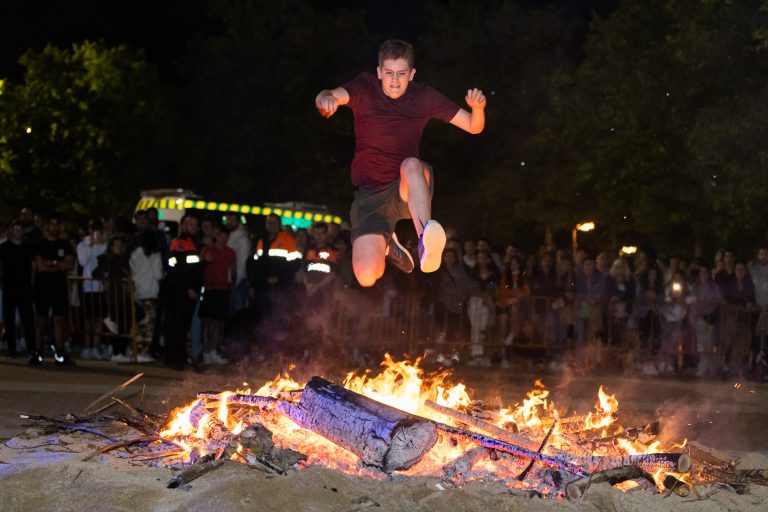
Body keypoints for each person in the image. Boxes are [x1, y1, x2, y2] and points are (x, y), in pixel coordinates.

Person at [315, 39, 486, 286]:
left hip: (407, 188)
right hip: (370, 196)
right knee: (366, 277)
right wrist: (326, 99)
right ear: (379, 72)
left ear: (412, 74)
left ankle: (426, 240)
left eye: (402, 74)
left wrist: (478, 109)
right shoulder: (364, 87)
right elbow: (328, 94)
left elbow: (473, 125)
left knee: (411, 165)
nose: (395, 80)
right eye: (389, 73)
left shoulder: (424, 97)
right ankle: (388, 244)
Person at [31, 213, 76, 365]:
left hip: (59, 287)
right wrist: (58, 265)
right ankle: (38, 352)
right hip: (42, 287)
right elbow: (40, 267)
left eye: (57, 224)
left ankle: (59, 352)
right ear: (46, 226)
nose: (54, 227)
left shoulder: (65, 245)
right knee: (41, 319)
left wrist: (51, 263)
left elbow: (70, 264)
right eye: (52, 224)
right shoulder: (40, 245)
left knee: (59, 319)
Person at [199, 225, 236, 365]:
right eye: (221, 236)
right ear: (217, 236)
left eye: (226, 237)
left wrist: (232, 286)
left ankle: (214, 351)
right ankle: (206, 351)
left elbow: (233, 270)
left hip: (223, 289)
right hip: (210, 289)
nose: (223, 239)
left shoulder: (230, 252)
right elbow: (200, 268)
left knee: (218, 322)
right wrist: (204, 284)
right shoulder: (208, 250)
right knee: (207, 321)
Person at [0, 221, 36, 358]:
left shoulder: (28, 246)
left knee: (28, 319)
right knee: (9, 320)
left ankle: (31, 348)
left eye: (20, 228)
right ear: (11, 230)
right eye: (15, 228)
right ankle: (11, 348)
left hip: (25, 288)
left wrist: (32, 282)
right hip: (9, 287)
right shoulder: (4, 247)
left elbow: (33, 266)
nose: (17, 231)